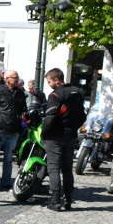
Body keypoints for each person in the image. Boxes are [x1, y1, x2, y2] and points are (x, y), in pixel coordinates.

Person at [41, 68, 86, 211]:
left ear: (56, 80)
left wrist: (44, 133)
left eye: (49, 81)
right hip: (71, 135)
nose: (48, 84)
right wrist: (73, 128)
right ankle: (68, 199)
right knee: (67, 169)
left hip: (55, 135)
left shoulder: (55, 95)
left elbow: (50, 117)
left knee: (53, 168)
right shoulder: (77, 92)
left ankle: (55, 200)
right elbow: (83, 116)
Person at [0, 69, 27, 189]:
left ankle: (5, 182)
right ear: (7, 79)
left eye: (17, 77)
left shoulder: (20, 93)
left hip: (13, 131)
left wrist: (20, 130)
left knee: (8, 158)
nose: (17, 79)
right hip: (0, 129)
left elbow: (24, 111)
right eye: (15, 77)